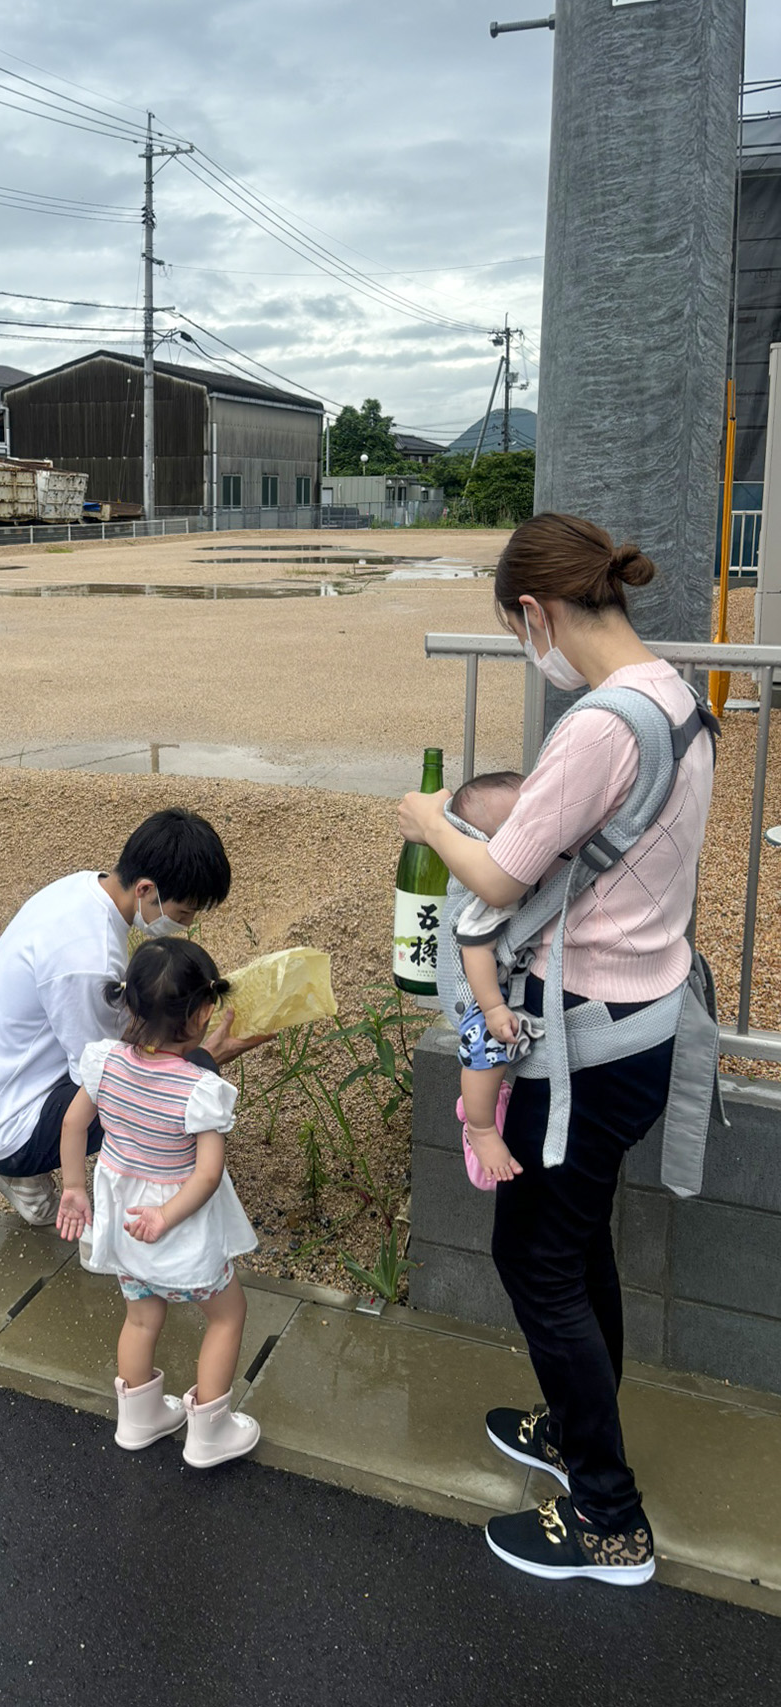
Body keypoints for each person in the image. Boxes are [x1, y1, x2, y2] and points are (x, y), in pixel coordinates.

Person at [397, 512, 715, 1586]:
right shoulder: (676, 696)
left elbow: (493, 877)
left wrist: (432, 816)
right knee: (572, 1244)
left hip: (581, 1041)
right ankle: (572, 1426)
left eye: (515, 627)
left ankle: (607, 1521)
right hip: (642, 1020)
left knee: (532, 1259)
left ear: (532, 613)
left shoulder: (598, 725)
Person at [0, 808, 269, 1227]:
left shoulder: (83, 888)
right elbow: (114, 1079)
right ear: (145, 888)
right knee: (163, 1089)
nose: (186, 925)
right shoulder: (90, 961)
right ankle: (26, 1172)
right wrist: (204, 1058)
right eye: (185, 913)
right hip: (6, 1126)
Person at [55, 937, 260, 1468]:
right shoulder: (199, 1090)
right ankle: (209, 1434)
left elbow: (73, 1123)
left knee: (141, 1319)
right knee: (226, 1315)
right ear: (202, 1013)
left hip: (125, 1223)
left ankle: (139, 1417)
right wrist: (167, 1216)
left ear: (129, 1004)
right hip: (179, 1227)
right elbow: (209, 1173)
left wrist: (75, 1188)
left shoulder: (103, 1064)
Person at [449, 770, 529, 1189]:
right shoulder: (488, 897)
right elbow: (475, 948)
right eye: (513, 830)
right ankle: (480, 1126)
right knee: (484, 1043)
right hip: (482, 994)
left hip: (508, 984)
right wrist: (494, 1006)